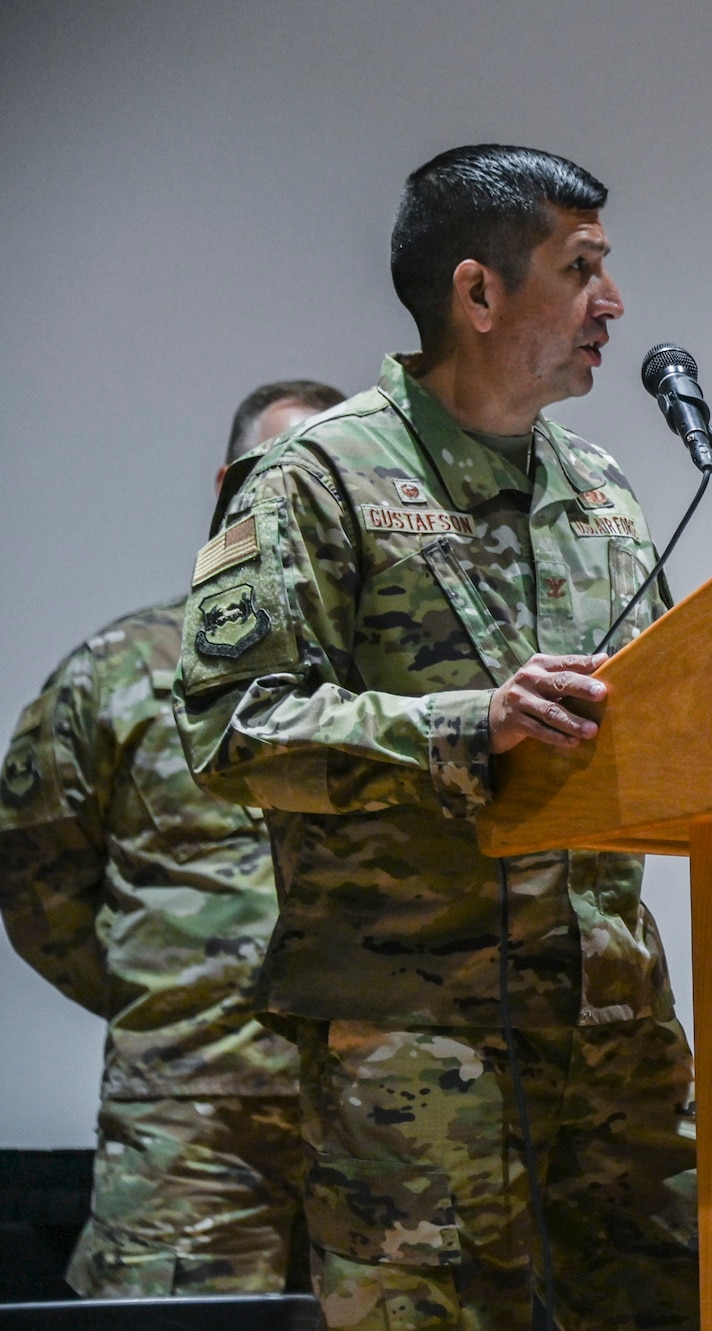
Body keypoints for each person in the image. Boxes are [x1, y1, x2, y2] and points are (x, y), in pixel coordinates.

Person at [174, 145, 697, 1331]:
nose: (612, 304)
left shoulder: (603, 490)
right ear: (478, 293)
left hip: (615, 1035)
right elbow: (229, 727)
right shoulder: (316, 479)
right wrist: (469, 726)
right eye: (582, 270)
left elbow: (673, 715)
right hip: (419, 1047)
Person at [0, 378, 344, 1297]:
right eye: (286, 473)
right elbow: (33, 884)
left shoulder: (414, 690)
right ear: (231, 484)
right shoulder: (119, 673)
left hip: (385, 1128)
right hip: (185, 1134)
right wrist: (172, 998)